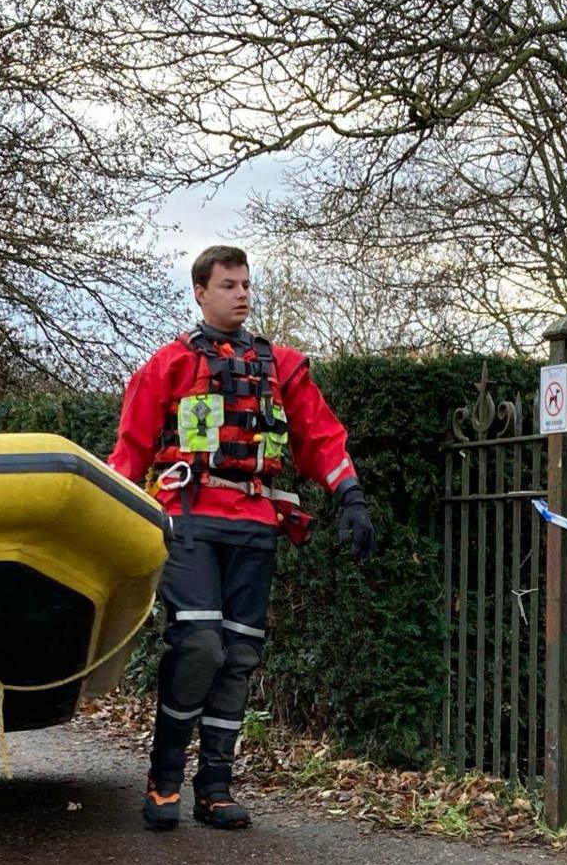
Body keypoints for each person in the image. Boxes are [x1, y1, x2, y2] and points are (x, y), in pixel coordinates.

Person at [108, 245, 374, 831]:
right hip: (190, 517)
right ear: (201, 292)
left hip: (256, 523)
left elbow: (322, 438)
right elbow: (128, 453)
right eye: (229, 285)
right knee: (199, 645)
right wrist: (104, 527)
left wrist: (350, 496)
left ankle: (217, 786)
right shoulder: (167, 366)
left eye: (247, 284)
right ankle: (165, 778)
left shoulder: (284, 366)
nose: (242, 294)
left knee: (240, 656)